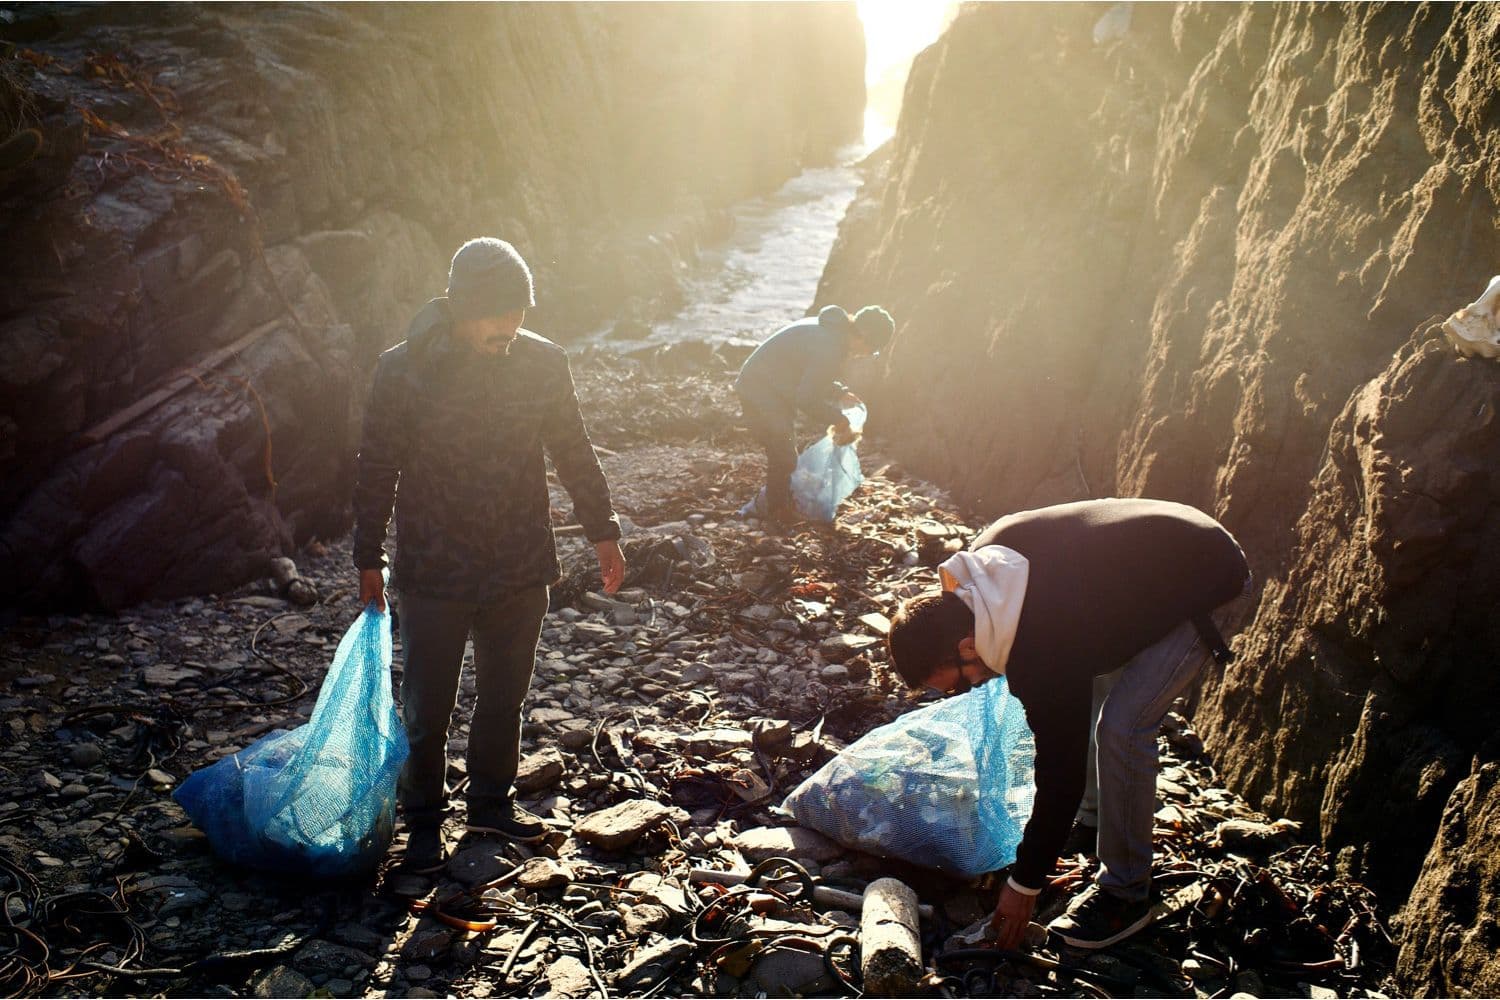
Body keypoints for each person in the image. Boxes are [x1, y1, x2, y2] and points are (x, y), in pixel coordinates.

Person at [352, 237, 627, 871]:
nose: (509, 326)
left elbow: (574, 449)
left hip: (520, 562)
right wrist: (369, 554)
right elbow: (377, 466)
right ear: (460, 308)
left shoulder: (542, 363)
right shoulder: (403, 369)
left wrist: (603, 531)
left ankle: (490, 805)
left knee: (505, 698)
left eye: (519, 312)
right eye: (496, 313)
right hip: (432, 567)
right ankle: (423, 819)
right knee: (428, 704)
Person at [887, 498, 1251, 950]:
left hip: (1207, 578)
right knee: (1092, 690)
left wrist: (1024, 886)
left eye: (963, 683)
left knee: (1123, 727)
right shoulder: (982, 577)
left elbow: (1061, 774)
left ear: (965, 647)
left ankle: (1126, 892)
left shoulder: (1041, 641)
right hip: (1148, 567)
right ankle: (1098, 820)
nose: (977, 686)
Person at [733, 303, 894, 523]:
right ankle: (774, 512)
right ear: (864, 336)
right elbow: (806, 399)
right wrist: (839, 419)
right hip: (760, 389)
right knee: (784, 454)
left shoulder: (831, 331)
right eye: (871, 349)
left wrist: (840, 393)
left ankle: (774, 502)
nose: (864, 355)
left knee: (782, 451)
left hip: (770, 385)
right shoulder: (831, 347)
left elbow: (813, 374)